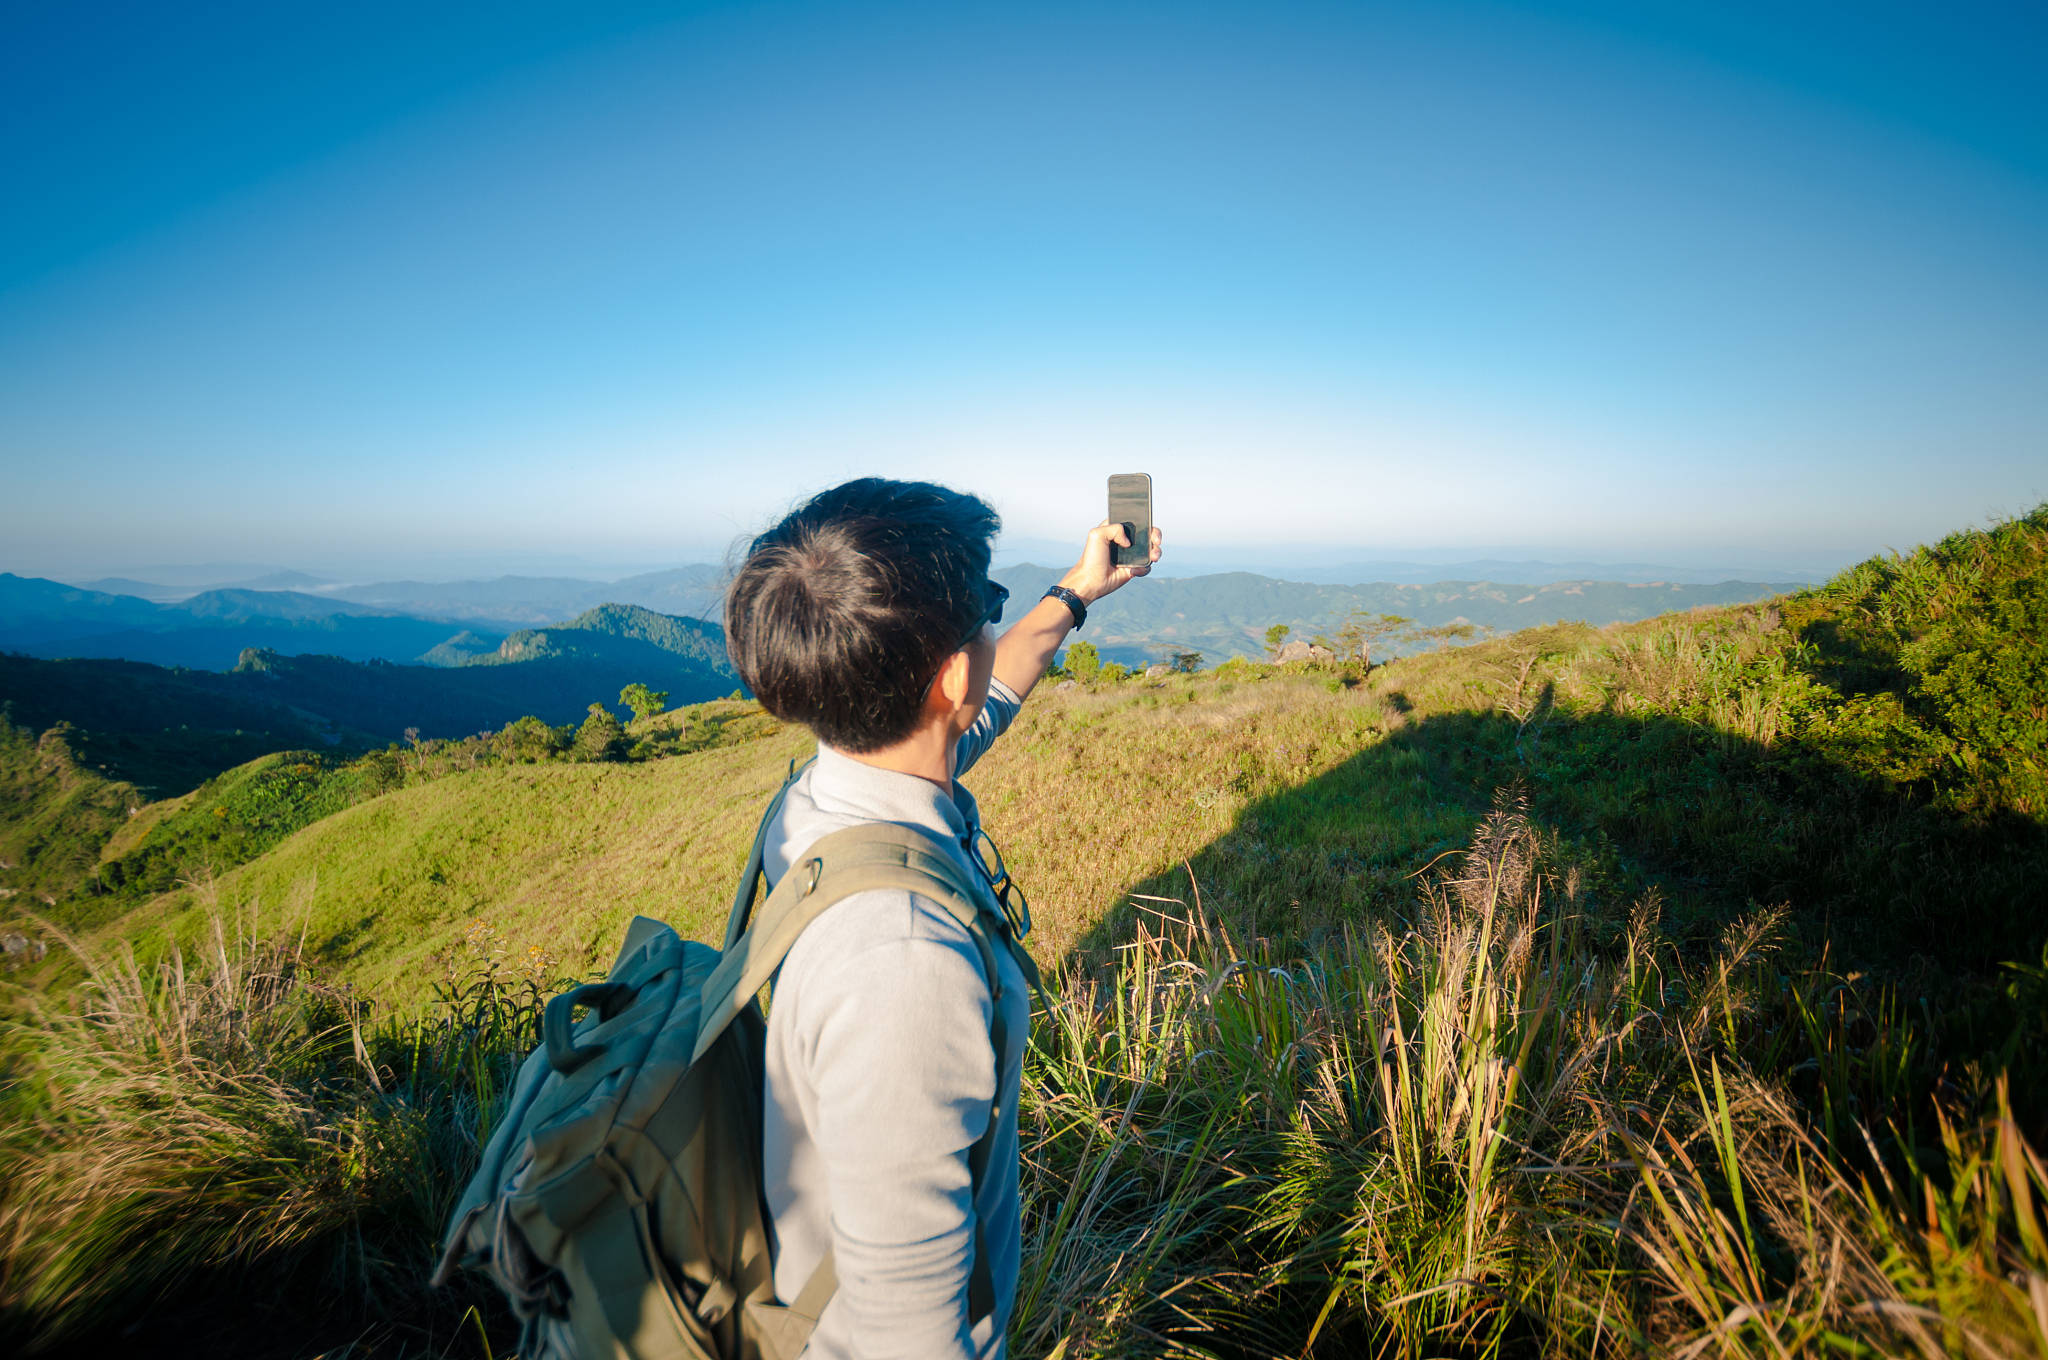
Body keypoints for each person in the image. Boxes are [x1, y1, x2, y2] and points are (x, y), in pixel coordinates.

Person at [723, 478, 1161, 1360]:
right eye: (986, 607)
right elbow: (906, 1338)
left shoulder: (819, 801)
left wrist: (1074, 596)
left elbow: (972, 715)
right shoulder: (904, 962)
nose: (995, 628)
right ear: (953, 673)